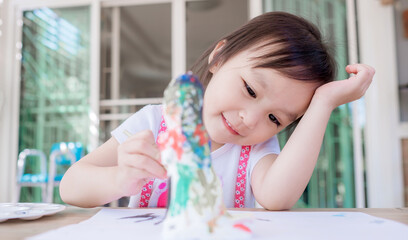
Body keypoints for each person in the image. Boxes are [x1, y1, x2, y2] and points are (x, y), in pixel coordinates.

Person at [60, 12, 374, 210]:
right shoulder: (154, 123)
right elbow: (71, 186)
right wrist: (120, 179)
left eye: (275, 119)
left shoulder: (256, 150)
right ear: (219, 57)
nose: (250, 120)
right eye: (250, 90)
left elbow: (277, 198)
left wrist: (323, 103)